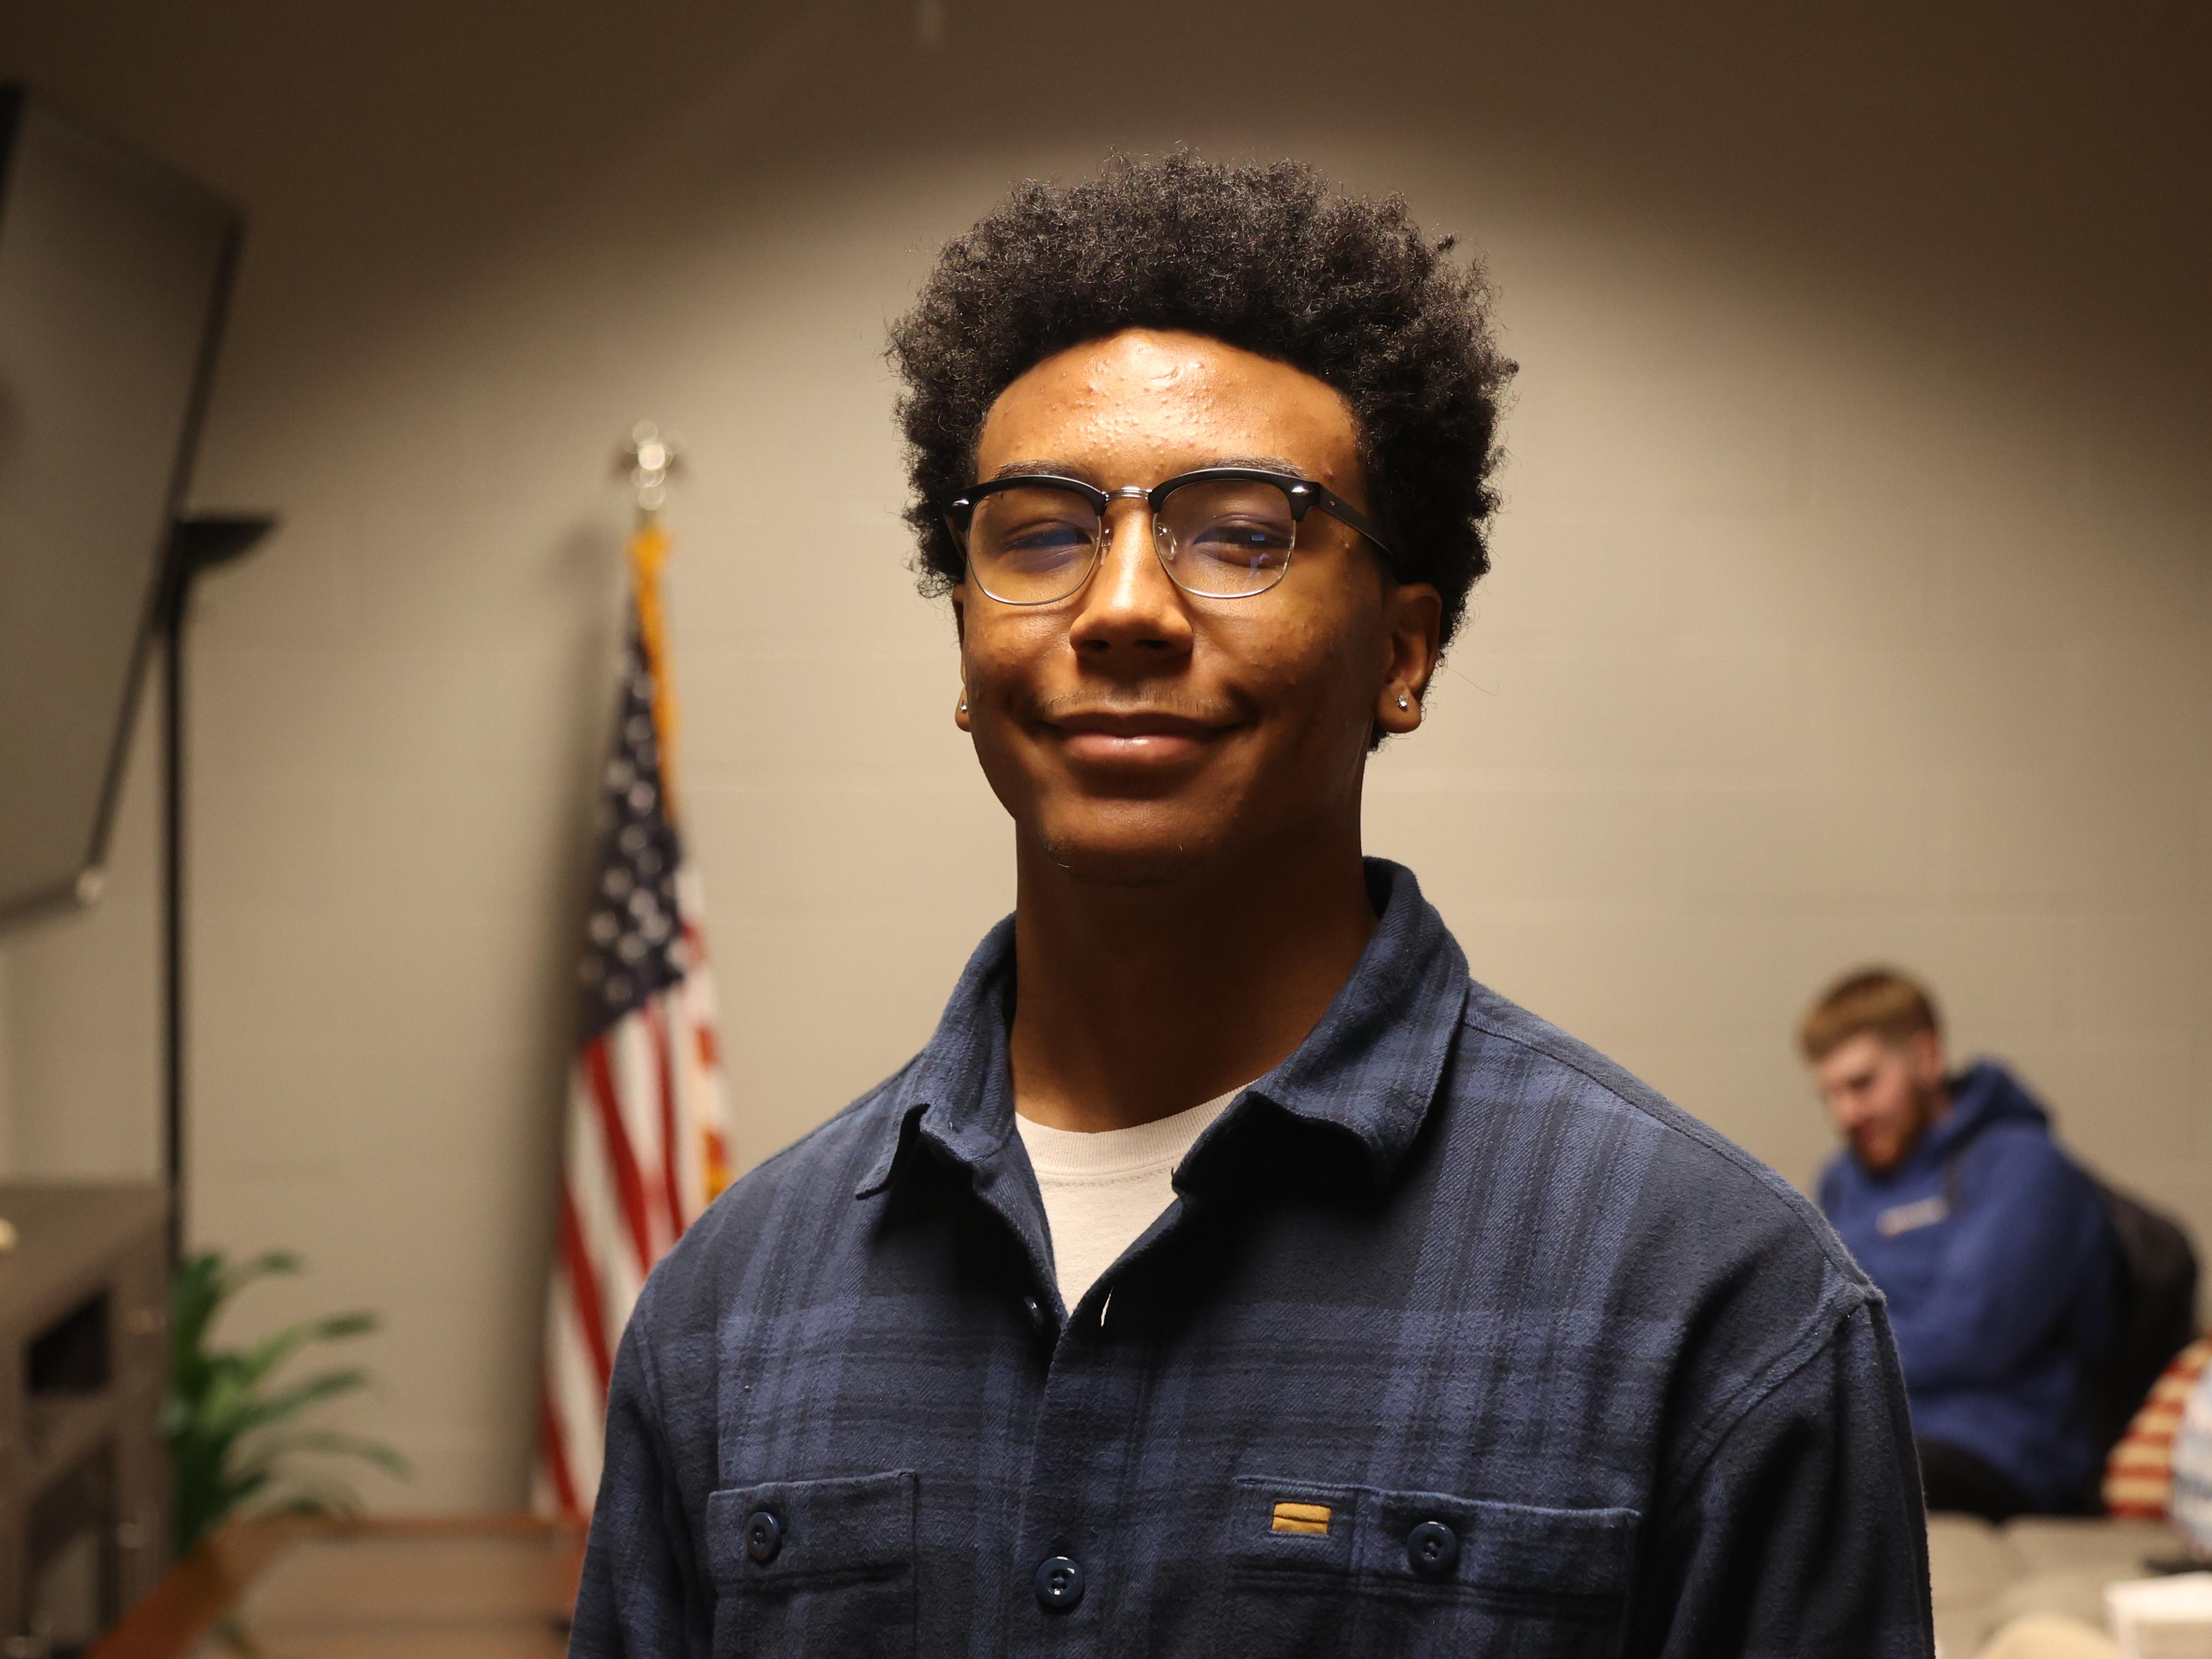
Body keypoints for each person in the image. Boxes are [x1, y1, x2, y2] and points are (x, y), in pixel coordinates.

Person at [570, 154, 1933, 1657]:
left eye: (1241, 530)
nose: (1124, 607)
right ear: (964, 653)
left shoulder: (1714, 1309)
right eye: (1038, 531)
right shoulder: (730, 1308)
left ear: (1400, 654)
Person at [1805, 968, 2119, 1522]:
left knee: (1825, 1474)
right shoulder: (1842, 1180)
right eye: (1829, 1094)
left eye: (1861, 1084)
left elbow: (1969, 1339)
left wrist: (1822, 1361)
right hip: (1881, 1423)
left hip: (2000, 1450)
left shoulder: (2022, 1165)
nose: (1844, 1114)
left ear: (1925, 1057)